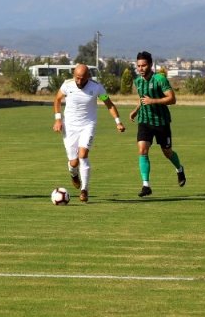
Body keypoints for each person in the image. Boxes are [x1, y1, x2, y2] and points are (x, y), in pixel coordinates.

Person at [52, 64, 125, 203]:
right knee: (73, 162)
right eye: (77, 78)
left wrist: (118, 121)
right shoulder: (67, 85)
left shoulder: (97, 87)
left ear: (88, 77)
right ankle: (74, 174)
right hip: (70, 127)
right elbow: (57, 99)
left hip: (88, 125)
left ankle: (84, 190)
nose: (79, 81)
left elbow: (109, 104)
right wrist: (57, 120)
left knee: (83, 155)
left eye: (82, 78)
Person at [129, 51, 186, 197]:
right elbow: (143, 99)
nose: (141, 68)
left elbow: (172, 99)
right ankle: (146, 185)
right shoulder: (138, 81)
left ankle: (179, 169)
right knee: (142, 149)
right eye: (138, 66)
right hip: (144, 121)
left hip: (161, 122)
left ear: (150, 64)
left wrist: (153, 101)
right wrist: (136, 110)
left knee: (167, 153)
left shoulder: (160, 79)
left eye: (144, 65)